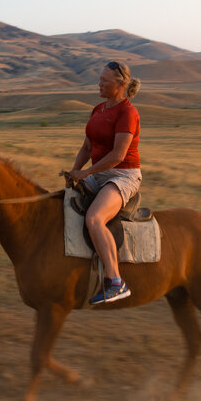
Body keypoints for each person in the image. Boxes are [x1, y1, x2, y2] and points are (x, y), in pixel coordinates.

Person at [65, 61, 142, 305]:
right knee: (64, 203)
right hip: (97, 174)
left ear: (120, 85)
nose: (99, 83)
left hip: (123, 175)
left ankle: (115, 282)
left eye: (104, 81)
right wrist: (74, 171)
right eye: (99, 79)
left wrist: (86, 173)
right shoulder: (98, 109)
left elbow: (118, 155)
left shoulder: (128, 113)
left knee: (94, 218)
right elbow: (87, 146)